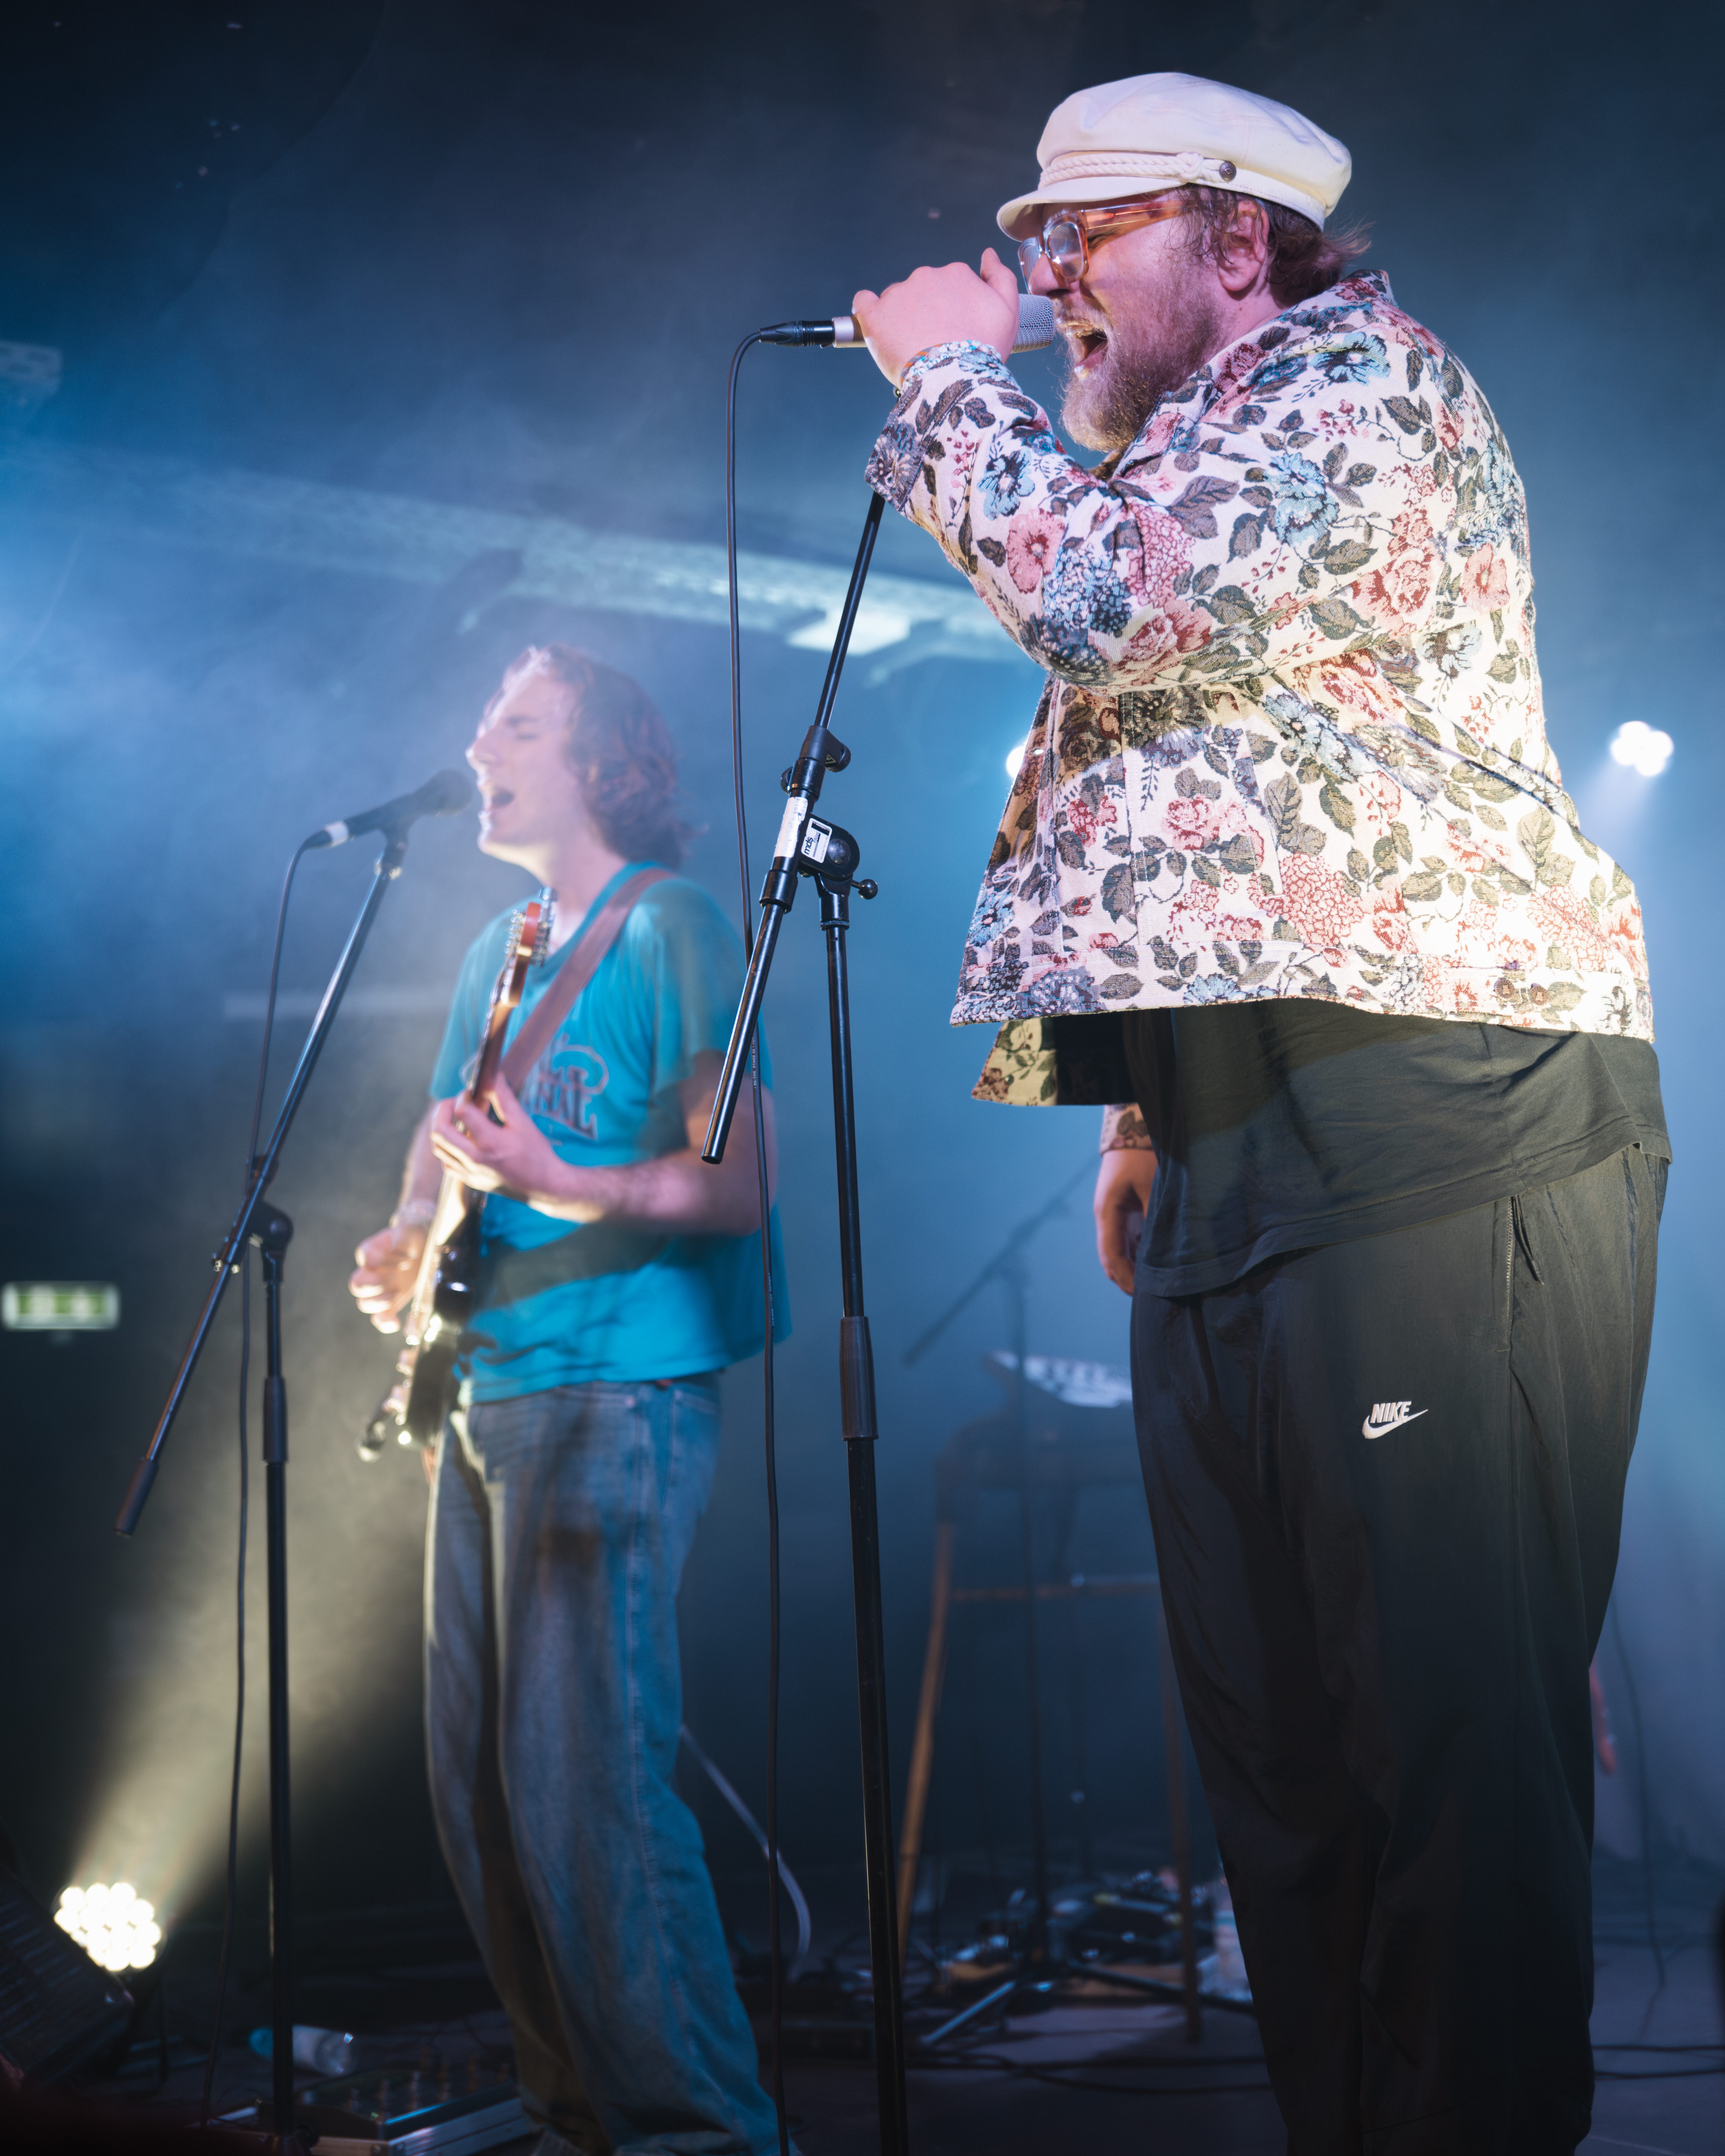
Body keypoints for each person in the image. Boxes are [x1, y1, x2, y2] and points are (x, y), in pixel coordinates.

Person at [852, 70, 1667, 2156]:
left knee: (1437, 1740)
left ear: (1237, 237)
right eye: (1024, 247)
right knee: (1279, 1762)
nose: (1038, 277)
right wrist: (1140, 1116)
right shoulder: (1201, 436)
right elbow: (1199, 799)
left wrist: (947, 382)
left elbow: (1113, 606)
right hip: (1237, 1142)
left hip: (1435, 1111)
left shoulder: (1356, 386)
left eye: (1079, 231)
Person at [348, 644, 786, 2156]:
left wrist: (559, 1178)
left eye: (517, 722)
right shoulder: (505, 945)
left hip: (616, 1391)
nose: (480, 741)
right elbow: (441, 1136)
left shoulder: (673, 925)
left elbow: (734, 1183)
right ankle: (573, 2116)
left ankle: (698, 2136)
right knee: (481, 1800)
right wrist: (407, 1234)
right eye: (482, 718)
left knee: (586, 1786)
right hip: (483, 1391)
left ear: (600, 766)